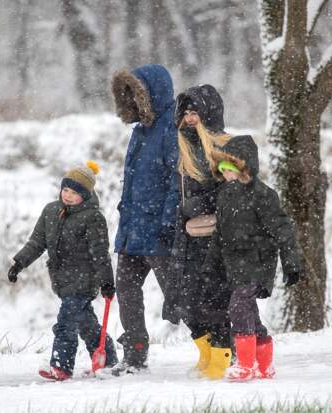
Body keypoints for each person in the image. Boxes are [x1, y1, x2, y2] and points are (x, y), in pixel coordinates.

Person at [7, 161, 118, 381]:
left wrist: (106, 281)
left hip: (85, 279)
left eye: (74, 192)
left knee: (66, 322)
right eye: (65, 189)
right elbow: (37, 242)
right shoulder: (51, 211)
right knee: (86, 324)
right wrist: (19, 263)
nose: (67, 195)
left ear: (85, 196)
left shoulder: (93, 217)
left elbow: (100, 254)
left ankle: (61, 367)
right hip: (61, 279)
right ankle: (109, 358)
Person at [206, 135, 302, 381]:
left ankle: (246, 365)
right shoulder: (225, 196)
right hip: (234, 265)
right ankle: (265, 365)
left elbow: (283, 229)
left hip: (259, 262)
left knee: (237, 307)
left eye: (230, 170)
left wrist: (291, 263)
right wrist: (211, 264)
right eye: (223, 170)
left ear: (244, 167)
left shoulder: (263, 195)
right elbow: (220, 234)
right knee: (248, 312)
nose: (226, 175)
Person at [110, 64, 179, 375]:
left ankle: (219, 345)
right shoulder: (138, 132)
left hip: (158, 232)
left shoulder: (171, 130)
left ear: (152, 96)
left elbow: (177, 181)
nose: (134, 103)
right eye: (129, 98)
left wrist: (168, 223)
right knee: (125, 289)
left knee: (179, 294)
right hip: (133, 231)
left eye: (137, 96)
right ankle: (135, 354)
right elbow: (133, 181)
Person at [171, 84, 232, 379]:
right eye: (186, 112)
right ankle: (206, 352)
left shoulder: (225, 147)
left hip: (214, 236)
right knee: (186, 302)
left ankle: (223, 355)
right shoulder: (180, 146)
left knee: (214, 300)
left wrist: (195, 205)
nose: (190, 117)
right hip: (185, 237)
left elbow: (231, 189)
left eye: (195, 112)